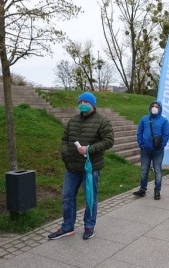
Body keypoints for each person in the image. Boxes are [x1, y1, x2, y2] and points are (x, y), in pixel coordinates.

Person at [48, 92, 114, 240]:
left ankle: (89, 225)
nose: (82, 104)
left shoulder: (102, 122)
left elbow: (109, 141)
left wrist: (89, 149)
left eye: (86, 102)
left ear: (92, 104)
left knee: (90, 197)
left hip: (90, 169)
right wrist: (65, 154)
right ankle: (67, 227)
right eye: (80, 102)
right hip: (71, 167)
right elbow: (65, 139)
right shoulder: (73, 121)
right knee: (67, 197)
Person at [133, 101, 169, 200]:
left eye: (156, 106)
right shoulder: (144, 119)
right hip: (145, 150)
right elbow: (139, 132)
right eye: (153, 106)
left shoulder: (164, 121)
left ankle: (157, 190)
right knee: (144, 170)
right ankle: (142, 189)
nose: (154, 108)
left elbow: (166, 135)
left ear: (160, 109)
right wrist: (141, 144)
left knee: (157, 170)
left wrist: (161, 145)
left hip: (158, 151)